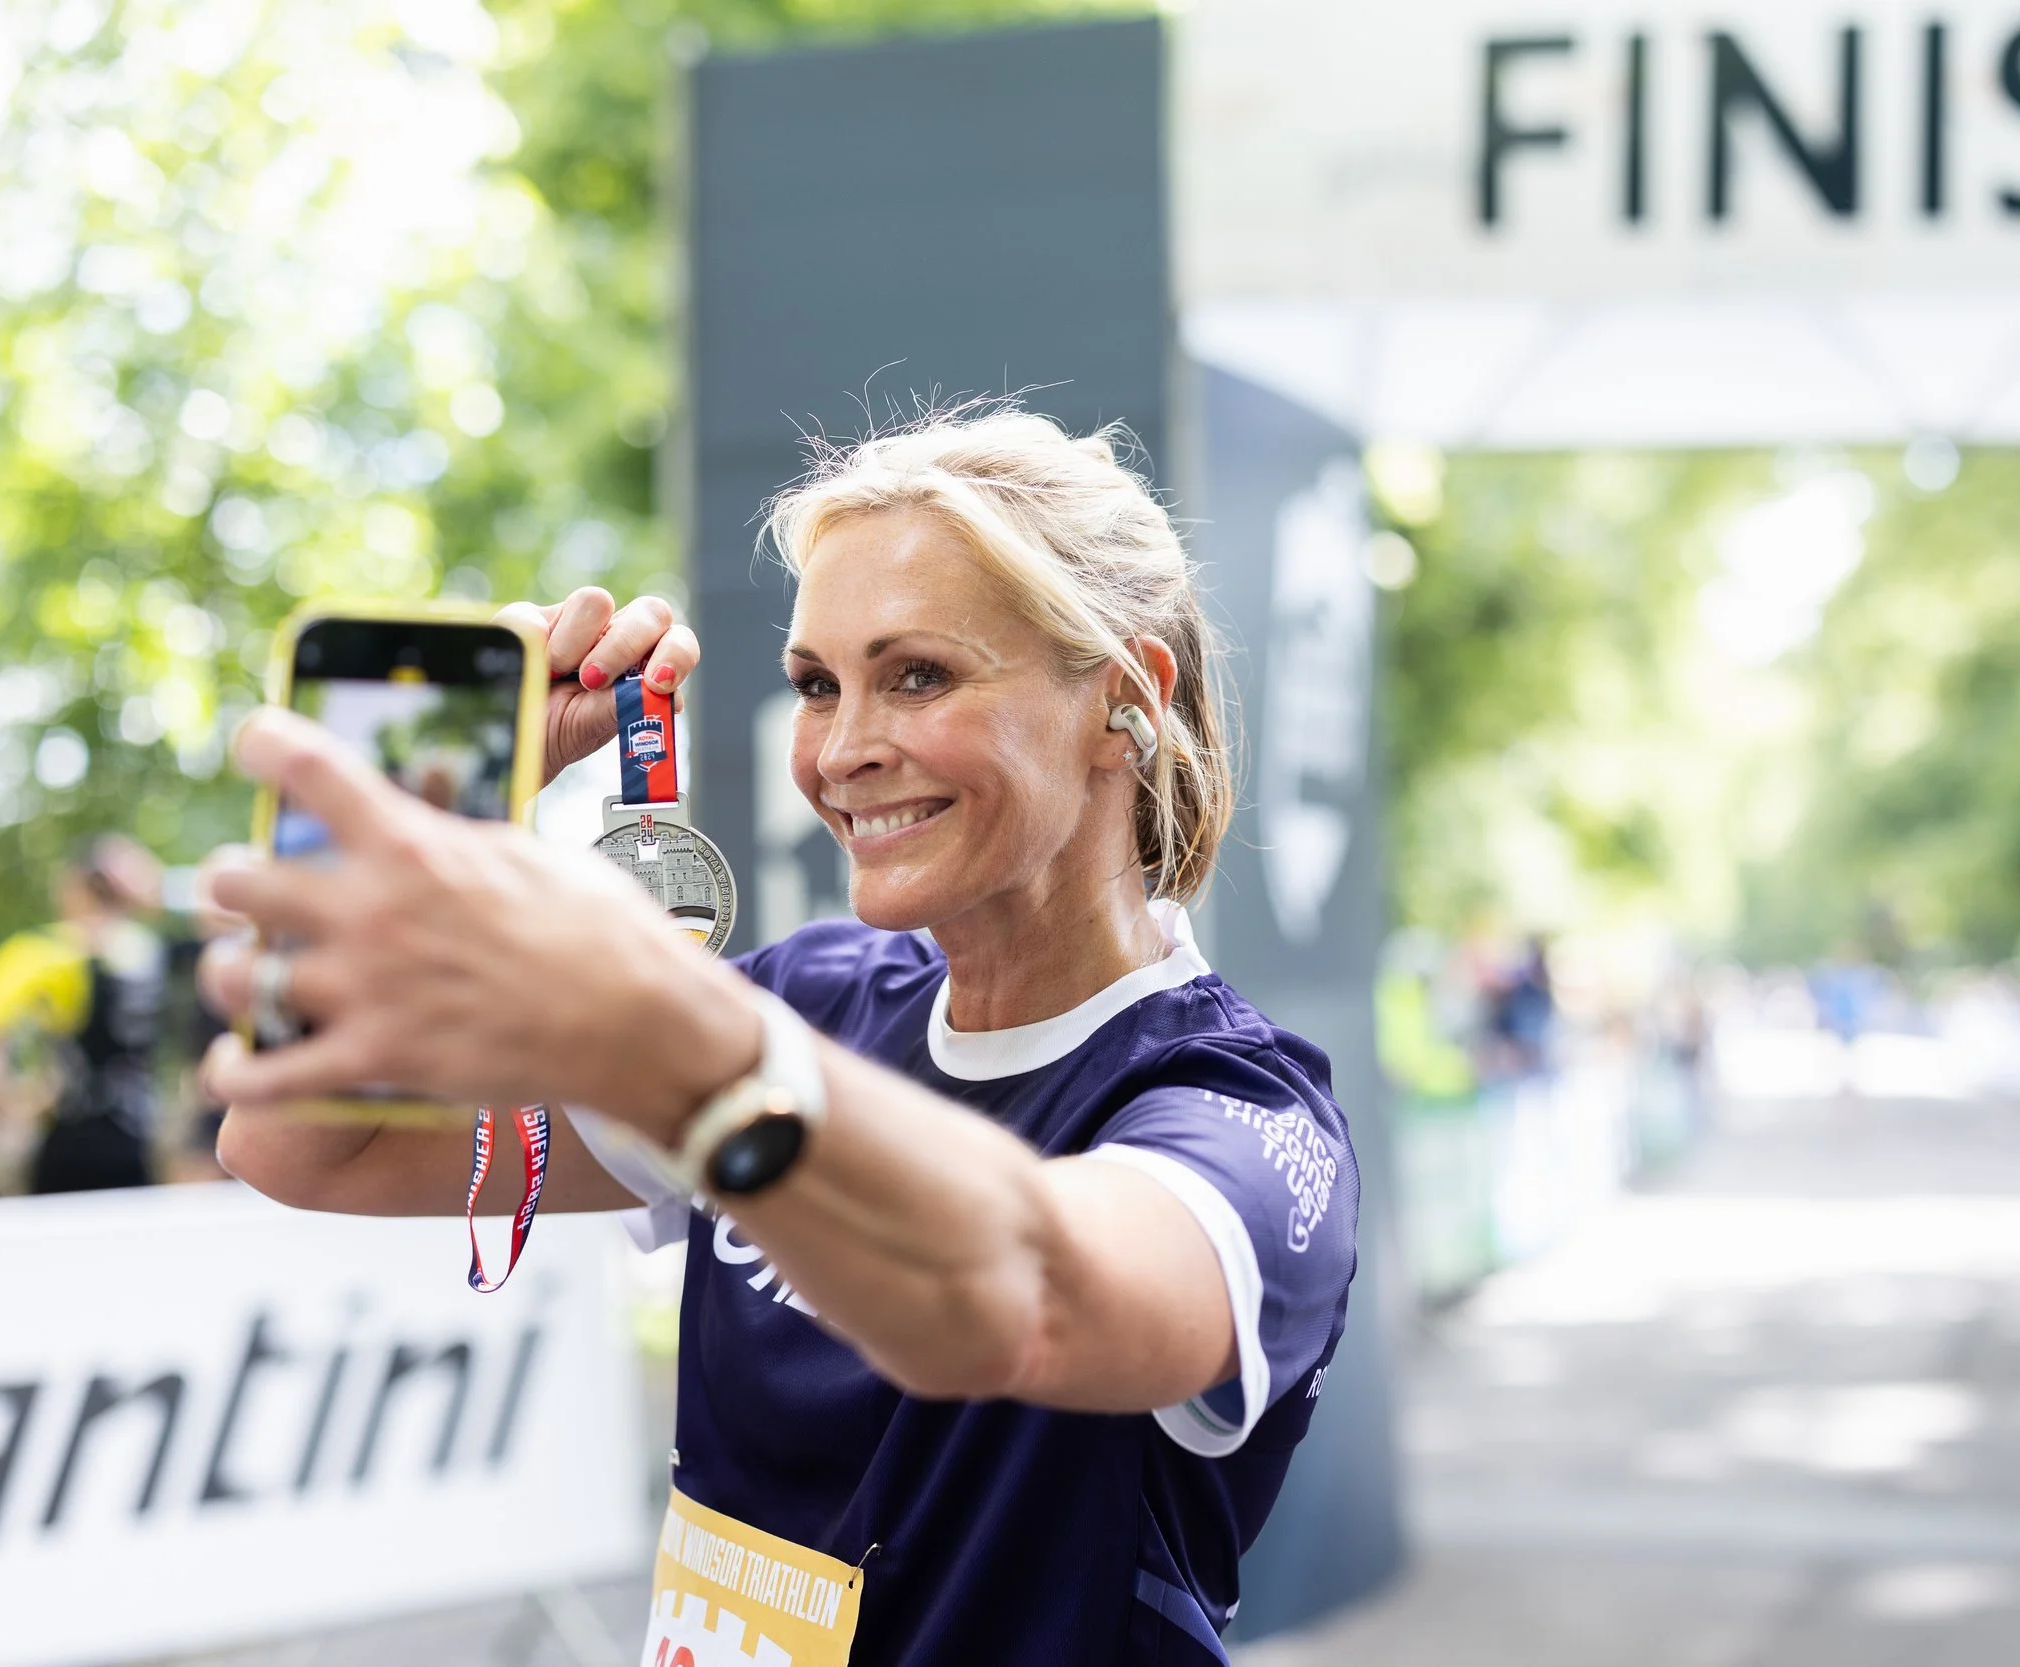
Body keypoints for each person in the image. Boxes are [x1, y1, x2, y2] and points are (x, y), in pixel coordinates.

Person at [198, 412, 1360, 1667]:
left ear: (1124, 698)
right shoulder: (804, 1003)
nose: (843, 748)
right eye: (817, 683)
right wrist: (448, 803)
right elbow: (311, 1150)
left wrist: (666, 1036)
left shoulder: (1241, 1108)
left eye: (918, 674)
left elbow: (1024, 1299)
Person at [0, 834, 167, 1193]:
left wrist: (11, 1104)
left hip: (69, 1141)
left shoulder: (47, 952)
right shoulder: (151, 952)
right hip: (135, 1139)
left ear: (75, 887)